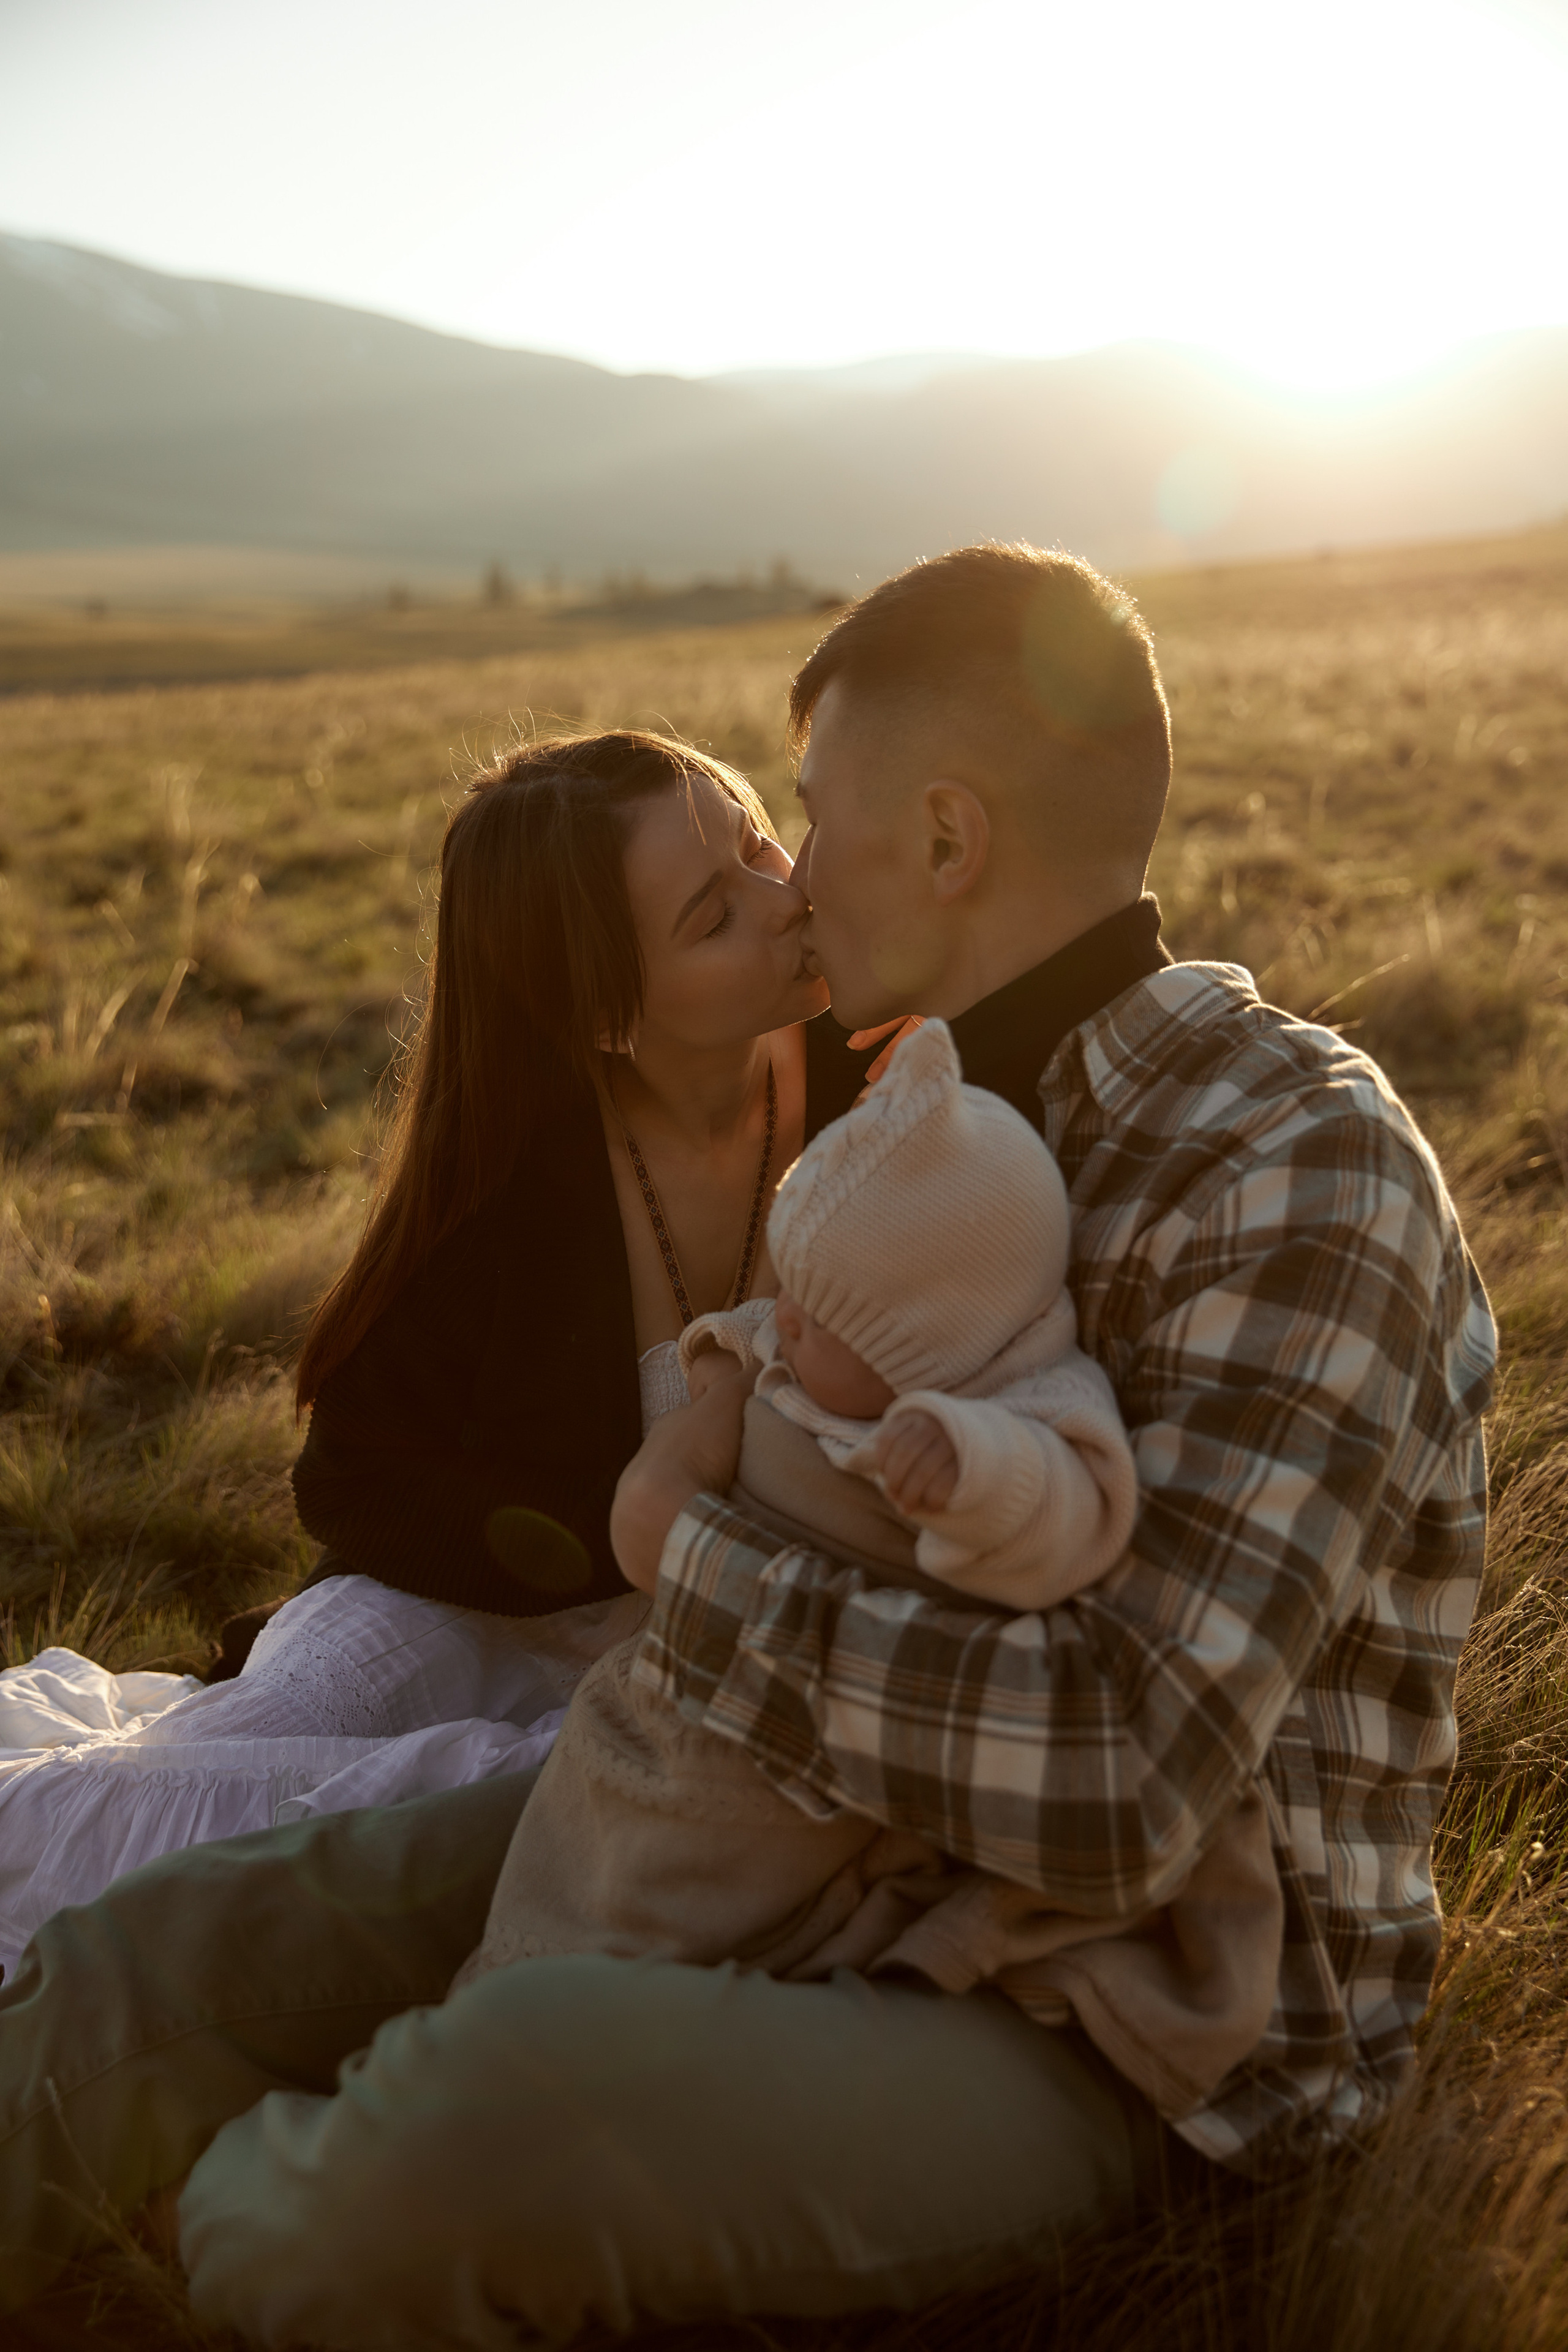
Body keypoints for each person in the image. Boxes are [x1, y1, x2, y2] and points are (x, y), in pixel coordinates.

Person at [0, 546, 1496, 2349]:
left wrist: (684, 1547)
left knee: (469, 2132)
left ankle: (207, 2239)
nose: (790, 878)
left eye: (807, 817)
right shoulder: (943, 1115)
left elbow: (1119, 1781)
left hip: (1135, 2025)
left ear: (945, 839)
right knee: (165, 1952)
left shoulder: (1291, 1163)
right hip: (819, 1829)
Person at [0, 728, 859, 1980]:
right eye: (714, 913)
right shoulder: (513, 1180)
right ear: (608, 1015)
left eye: (757, 840)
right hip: (456, 1598)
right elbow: (352, 1480)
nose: (789, 899)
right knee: (250, 1757)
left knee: (486, 1805)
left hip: (692, 1631)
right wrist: (602, 1530)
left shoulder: (873, 1073)